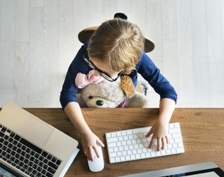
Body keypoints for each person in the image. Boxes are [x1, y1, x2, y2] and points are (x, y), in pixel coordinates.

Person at [60, 18, 177, 162]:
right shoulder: (87, 53)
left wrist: (163, 121)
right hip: (91, 95)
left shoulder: (139, 59)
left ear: (127, 67)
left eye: (104, 73)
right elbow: (67, 94)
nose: (95, 73)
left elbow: (168, 91)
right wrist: (84, 133)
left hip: (121, 94)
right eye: (93, 65)